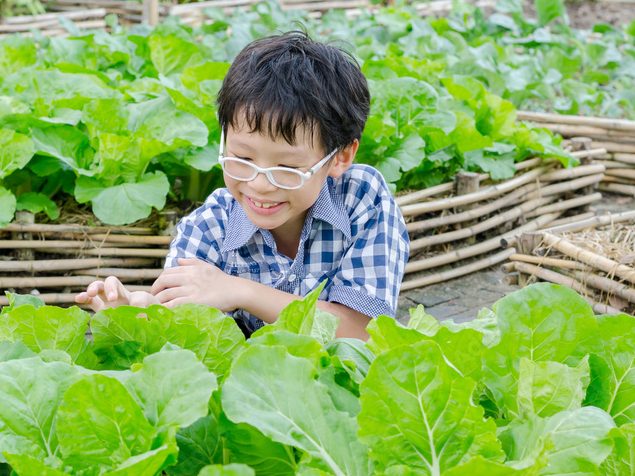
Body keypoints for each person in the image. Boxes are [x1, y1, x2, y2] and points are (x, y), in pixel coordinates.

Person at [75, 29, 409, 340]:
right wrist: (133, 310)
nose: (260, 184)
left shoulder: (363, 199)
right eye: (242, 159)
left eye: (288, 167)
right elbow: (179, 324)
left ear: (339, 157)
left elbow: (364, 333)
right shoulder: (208, 228)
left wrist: (241, 291)